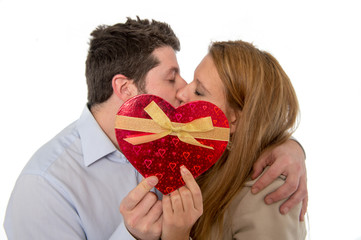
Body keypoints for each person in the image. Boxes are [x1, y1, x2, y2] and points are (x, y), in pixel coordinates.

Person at [4, 17, 307, 240]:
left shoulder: (193, 147)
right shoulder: (44, 189)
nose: (183, 92)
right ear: (125, 88)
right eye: (172, 77)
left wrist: (289, 148)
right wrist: (132, 235)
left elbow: (244, 126)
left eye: (195, 87)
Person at [169, 39, 307, 239]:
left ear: (235, 119)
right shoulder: (205, 159)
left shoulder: (268, 196)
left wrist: (176, 236)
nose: (181, 93)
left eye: (199, 91)